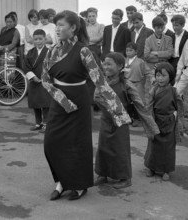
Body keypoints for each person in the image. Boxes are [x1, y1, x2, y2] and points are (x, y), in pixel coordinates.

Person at [42, 10, 131, 201]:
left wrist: (119, 112)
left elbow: (100, 81)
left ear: (73, 28)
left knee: (77, 145)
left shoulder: (84, 51)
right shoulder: (52, 51)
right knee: (50, 144)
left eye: (61, 25)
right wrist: (64, 102)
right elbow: (45, 80)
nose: (57, 29)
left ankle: (79, 185)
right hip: (60, 102)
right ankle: (62, 181)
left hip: (80, 102)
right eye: (56, 25)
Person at [94, 52, 159, 189]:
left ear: (120, 66)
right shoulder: (102, 82)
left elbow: (140, 105)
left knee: (120, 149)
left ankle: (125, 178)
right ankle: (103, 174)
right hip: (106, 120)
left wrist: (151, 128)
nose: (106, 67)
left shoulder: (127, 85)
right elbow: (96, 98)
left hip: (121, 121)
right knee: (103, 147)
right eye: (104, 63)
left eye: (109, 64)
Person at [144, 62, 183, 181]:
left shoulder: (174, 91)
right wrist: (150, 123)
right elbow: (149, 106)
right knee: (154, 146)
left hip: (170, 123)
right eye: (158, 75)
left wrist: (178, 121)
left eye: (163, 76)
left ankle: (166, 169)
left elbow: (180, 106)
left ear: (171, 77)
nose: (160, 78)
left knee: (168, 147)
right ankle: (151, 167)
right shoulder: (153, 90)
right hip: (156, 121)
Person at [143, 16, 173, 108]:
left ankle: (162, 111)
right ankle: (150, 113)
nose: (160, 30)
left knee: (163, 91)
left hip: (164, 68)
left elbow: (169, 54)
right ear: (153, 27)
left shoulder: (168, 39)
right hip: (152, 69)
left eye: (162, 27)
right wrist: (162, 55)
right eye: (158, 28)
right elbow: (146, 56)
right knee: (151, 92)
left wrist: (155, 53)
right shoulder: (148, 40)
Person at [25, 29, 50, 133]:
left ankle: (46, 124)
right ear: (33, 40)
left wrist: (46, 77)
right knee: (35, 102)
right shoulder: (30, 53)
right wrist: (33, 77)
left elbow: (53, 66)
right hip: (34, 81)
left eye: (40, 39)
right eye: (36, 39)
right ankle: (38, 122)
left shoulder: (50, 52)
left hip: (45, 81)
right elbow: (26, 66)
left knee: (45, 103)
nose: (38, 41)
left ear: (45, 40)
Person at [124, 42, 146, 127]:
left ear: (136, 52)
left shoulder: (140, 62)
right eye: (127, 50)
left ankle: (137, 119)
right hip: (127, 84)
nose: (128, 52)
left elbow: (145, 73)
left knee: (137, 102)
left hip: (137, 84)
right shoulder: (124, 60)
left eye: (131, 50)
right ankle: (129, 118)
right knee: (128, 102)